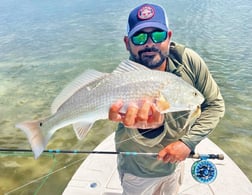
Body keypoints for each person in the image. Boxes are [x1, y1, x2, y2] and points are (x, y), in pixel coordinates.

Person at [108, 3, 225, 195]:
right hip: (138, 169)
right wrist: (149, 131)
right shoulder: (124, 81)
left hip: (177, 163)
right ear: (127, 43)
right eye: (139, 37)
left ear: (169, 37)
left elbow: (214, 104)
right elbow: (137, 136)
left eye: (158, 35)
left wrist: (188, 143)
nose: (149, 43)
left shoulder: (188, 61)